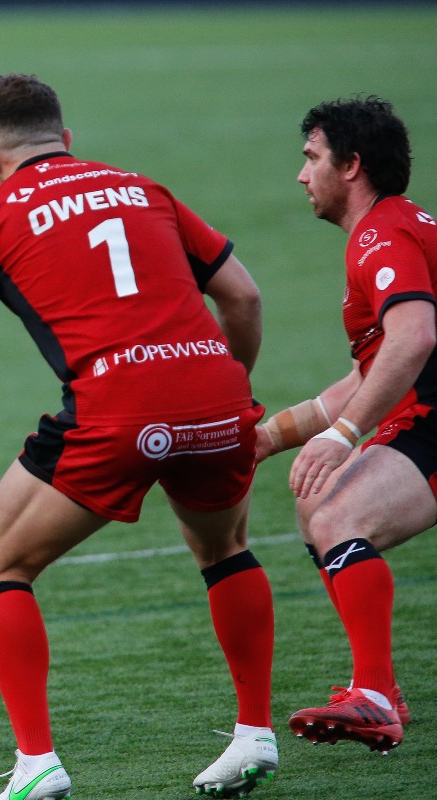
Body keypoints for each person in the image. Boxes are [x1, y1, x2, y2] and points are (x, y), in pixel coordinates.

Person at [0, 73, 276, 799]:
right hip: (214, 392)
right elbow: (242, 294)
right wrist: (220, 384)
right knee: (223, 549)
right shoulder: (146, 190)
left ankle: (36, 762)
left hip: (113, 410)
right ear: (66, 139)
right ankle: (252, 734)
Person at [255, 96, 435, 752]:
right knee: (319, 504)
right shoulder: (388, 228)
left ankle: (374, 697)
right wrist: (272, 437)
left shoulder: (381, 234)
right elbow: (373, 374)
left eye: (311, 158)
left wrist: (343, 436)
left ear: (350, 165)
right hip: (426, 413)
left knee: (336, 513)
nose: (302, 175)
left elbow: (412, 338)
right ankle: (378, 691)